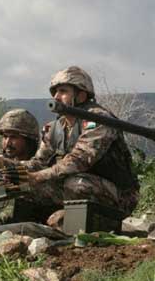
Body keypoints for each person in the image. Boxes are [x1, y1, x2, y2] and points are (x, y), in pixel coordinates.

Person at [21, 66, 140, 221]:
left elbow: (79, 160)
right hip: (79, 186)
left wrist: (37, 177)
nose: (56, 97)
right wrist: (11, 167)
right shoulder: (54, 128)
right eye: (54, 92)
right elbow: (39, 163)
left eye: (63, 91)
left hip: (120, 196)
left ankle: (84, 221)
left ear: (81, 96)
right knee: (23, 186)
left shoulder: (98, 119)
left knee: (76, 184)